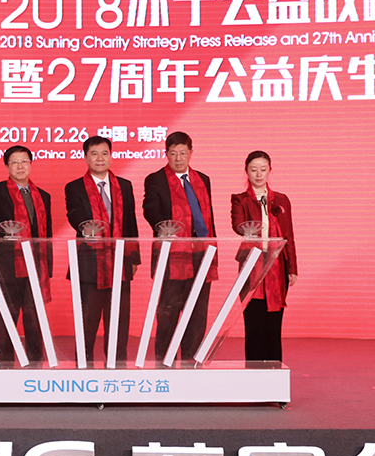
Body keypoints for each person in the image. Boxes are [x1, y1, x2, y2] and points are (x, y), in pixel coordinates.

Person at [143, 131, 218, 362]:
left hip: (201, 253)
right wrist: (162, 226)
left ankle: (190, 364)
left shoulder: (203, 179)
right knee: (169, 311)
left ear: (191, 153)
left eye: (183, 153)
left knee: (197, 312)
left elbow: (208, 216)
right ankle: (164, 364)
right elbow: (150, 208)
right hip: (173, 254)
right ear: (166, 154)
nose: (178, 158)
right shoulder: (156, 179)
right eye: (173, 153)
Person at [65, 136, 140, 364]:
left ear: (111, 156)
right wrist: (85, 228)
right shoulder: (74, 187)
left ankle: (117, 369)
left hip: (120, 262)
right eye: (94, 153)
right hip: (89, 264)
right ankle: (83, 368)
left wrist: (134, 258)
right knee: (87, 321)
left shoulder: (124, 186)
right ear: (85, 157)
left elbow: (131, 223)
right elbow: (74, 214)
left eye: (104, 153)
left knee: (119, 321)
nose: (100, 158)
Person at [230, 150, 298, 361]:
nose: (258, 174)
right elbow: (238, 225)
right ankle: (254, 375)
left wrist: (292, 268)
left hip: (277, 267)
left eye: (263, 169)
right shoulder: (240, 200)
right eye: (253, 169)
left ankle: (274, 374)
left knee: (273, 325)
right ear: (246, 171)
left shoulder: (282, 200)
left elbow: (288, 236)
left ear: (270, 170)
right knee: (254, 325)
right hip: (252, 266)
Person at [0, 145, 53, 363]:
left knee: (35, 320)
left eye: (24, 161)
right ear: (7, 166)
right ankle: (4, 368)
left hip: (36, 265)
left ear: (31, 164)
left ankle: (36, 365)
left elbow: (47, 234)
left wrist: (47, 266)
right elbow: (1, 218)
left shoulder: (43, 196)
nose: (20, 166)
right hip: (8, 265)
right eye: (14, 162)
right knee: (6, 319)